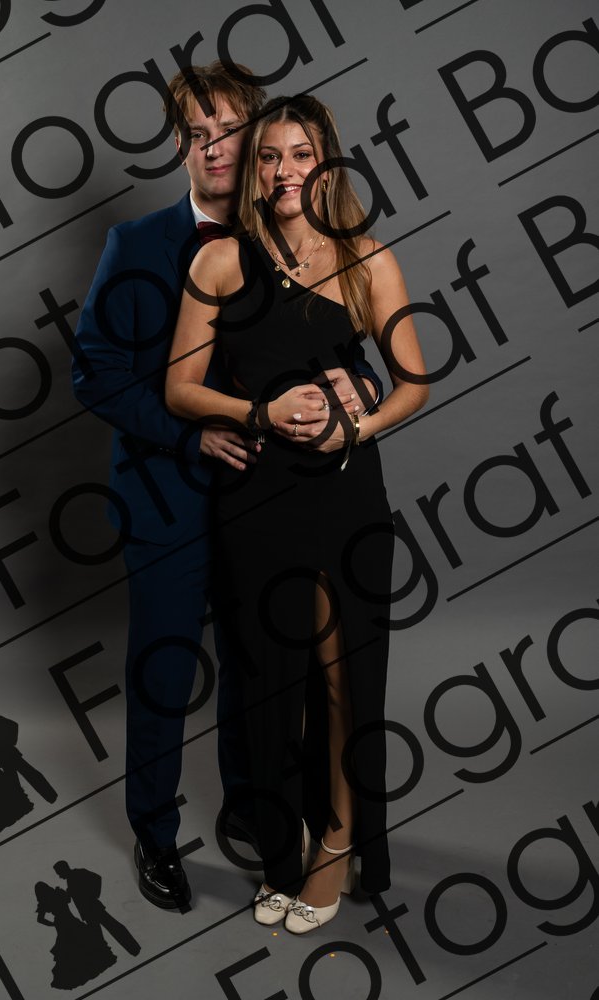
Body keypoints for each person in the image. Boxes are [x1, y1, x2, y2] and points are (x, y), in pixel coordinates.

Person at [72, 63, 384, 911]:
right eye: (197, 134)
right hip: (167, 497)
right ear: (180, 146)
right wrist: (191, 430)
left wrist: (361, 383)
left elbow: (336, 340)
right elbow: (93, 373)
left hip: (270, 501)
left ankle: (255, 807)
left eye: (231, 132)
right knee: (165, 669)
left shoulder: (288, 235)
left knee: (264, 668)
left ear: (257, 141)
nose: (215, 148)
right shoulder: (135, 245)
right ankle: (155, 833)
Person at [166, 93, 429, 933]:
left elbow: (414, 383)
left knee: (343, 676)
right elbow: (179, 388)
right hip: (255, 497)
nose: (286, 171)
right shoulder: (219, 261)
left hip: (345, 494)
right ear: (255, 167)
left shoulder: (366, 258)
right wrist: (259, 413)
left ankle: (340, 843)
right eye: (272, 155)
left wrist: (359, 422)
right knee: (267, 680)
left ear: (328, 163)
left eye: (303, 154)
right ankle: (286, 847)